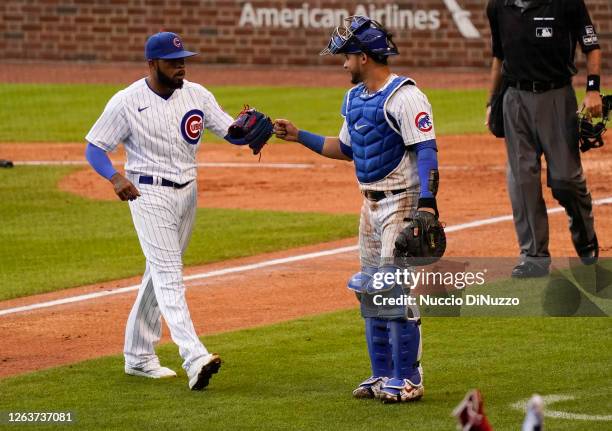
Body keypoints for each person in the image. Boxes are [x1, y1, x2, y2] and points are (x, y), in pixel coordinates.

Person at [85, 32, 269, 390]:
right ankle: (194, 356)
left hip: (188, 193)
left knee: (159, 273)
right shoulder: (126, 101)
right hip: (147, 194)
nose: (181, 66)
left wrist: (252, 132)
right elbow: (94, 148)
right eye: (173, 61)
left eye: (184, 59)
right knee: (170, 276)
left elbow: (230, 131)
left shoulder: (197, 94)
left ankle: (138, 356)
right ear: (152, 64)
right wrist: (114, 177)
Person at [274, 16, 441, 403]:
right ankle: (382, 374)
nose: (343, 64)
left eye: (346, 57)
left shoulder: (406, 95)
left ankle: (410, 377)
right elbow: (347, 150)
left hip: (401, 199)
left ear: (363, 57)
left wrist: (429, 204)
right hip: (369, 203)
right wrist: (299, 136)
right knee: (369, 290)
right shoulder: (354, 98)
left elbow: (427, 149)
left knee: (394, 290)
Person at [486, 0, 602, 278]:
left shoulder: (566, 3)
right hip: (514, 98)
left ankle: (584, 234)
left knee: (566, 180)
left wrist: (593, 89)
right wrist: (492, 102)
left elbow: (592, 47)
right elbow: (498, 57)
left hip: (557, 96)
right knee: (522, 177)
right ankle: (534, 256)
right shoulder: (498, 6)